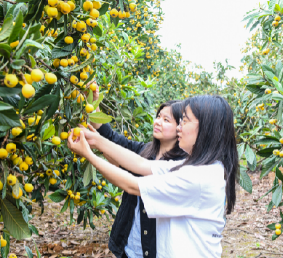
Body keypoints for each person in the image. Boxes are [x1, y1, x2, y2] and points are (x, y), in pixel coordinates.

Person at [68, 95, 239, 258]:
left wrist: (89, 154)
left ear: (205, 129)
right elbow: (141, 164)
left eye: (184, 121)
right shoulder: (202, 167)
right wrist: (96, 140)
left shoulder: (197, 178)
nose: (179, 127)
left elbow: (133, 185)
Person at [83, 82, 187, 258]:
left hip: (157, 251)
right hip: (129, 246)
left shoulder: (182, 165)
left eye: (166, 120)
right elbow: (111, 139)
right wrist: (93, 105)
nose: (158, 122)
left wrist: (89, 153)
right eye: (158, 116)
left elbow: (134, 185)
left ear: (180, 127)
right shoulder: (144, 151)